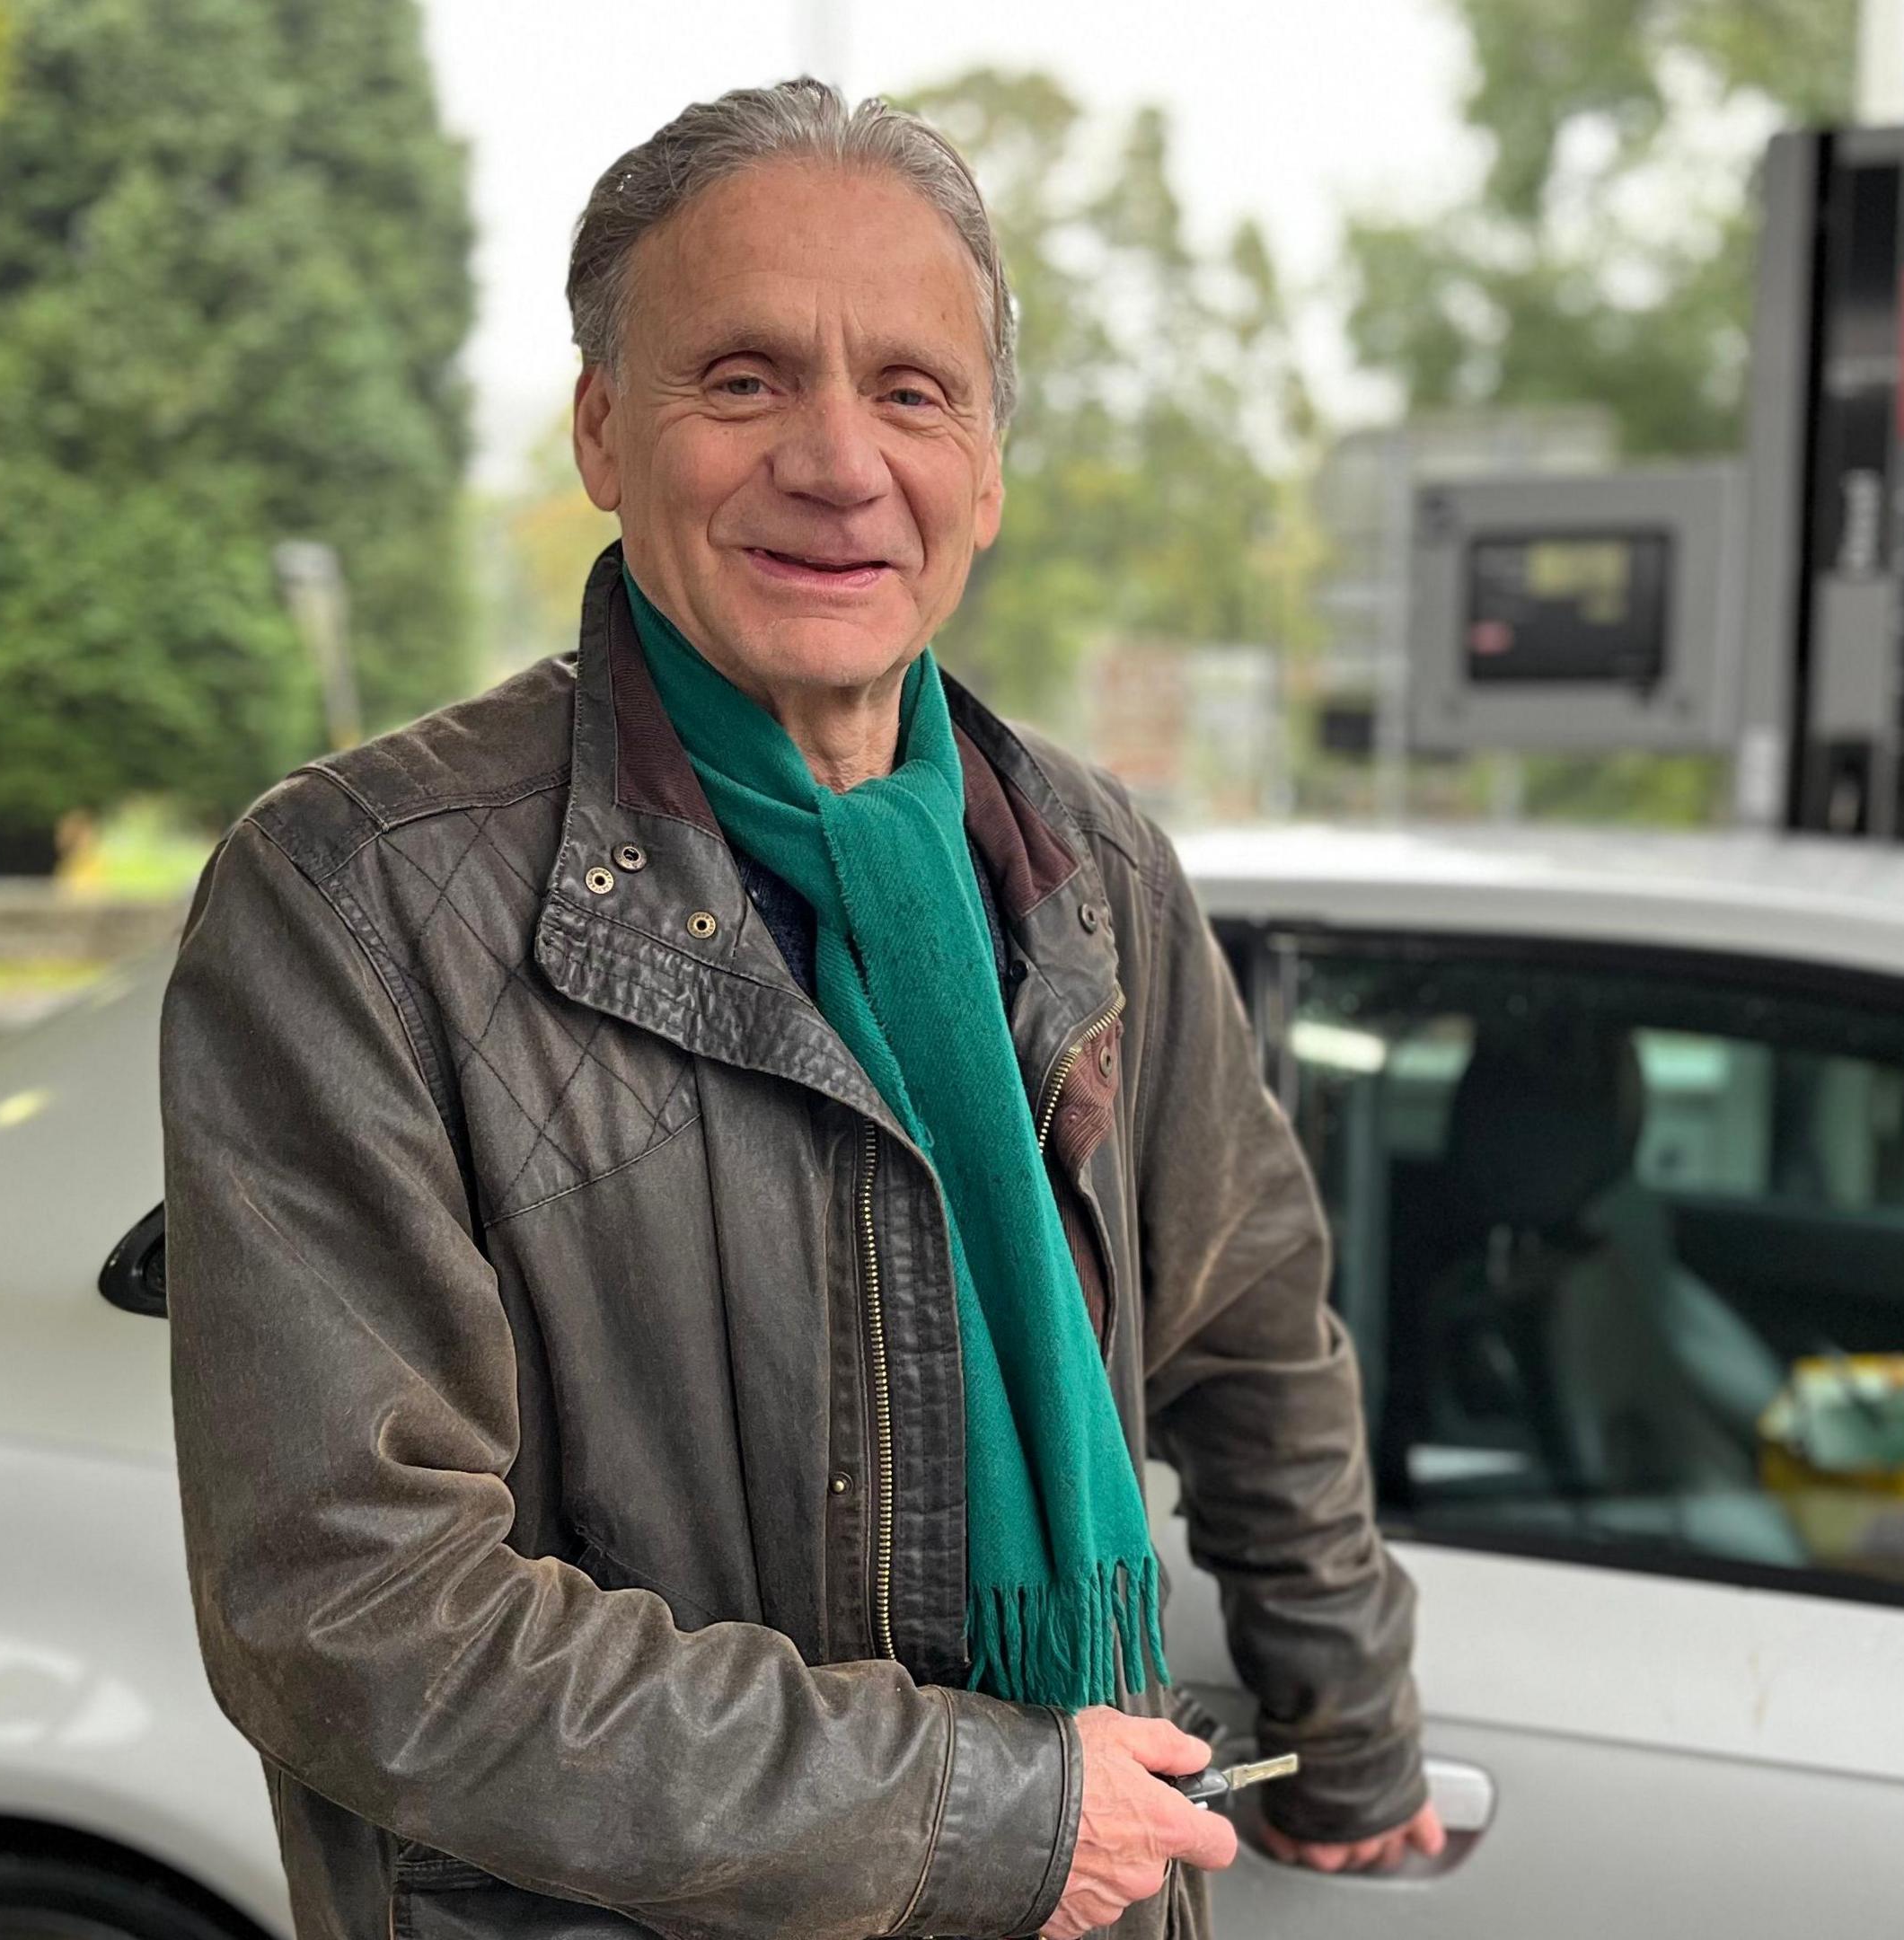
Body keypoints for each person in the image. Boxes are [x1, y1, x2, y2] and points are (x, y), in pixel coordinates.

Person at [159, 78, 1437, 1940]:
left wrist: (1348, 1717)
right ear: (604, 430)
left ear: (986, 467)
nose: (840, 461)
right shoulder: (352, 899)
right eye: (744, 379)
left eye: (913, 390)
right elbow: (351, 1612)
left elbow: (1246, 1325)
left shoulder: (1092, 868)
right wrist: (988, 1820)